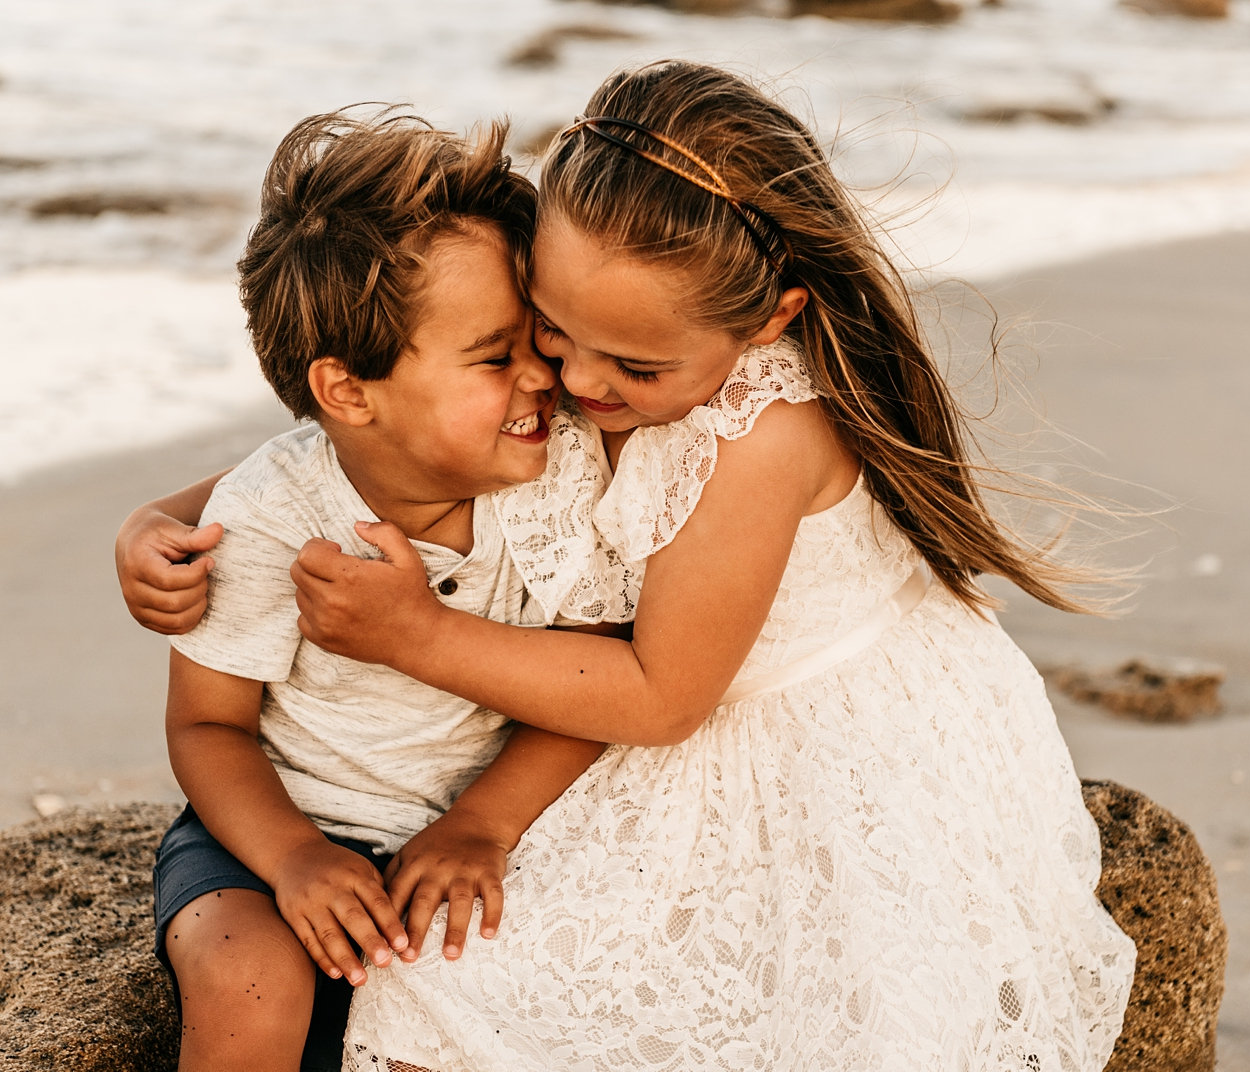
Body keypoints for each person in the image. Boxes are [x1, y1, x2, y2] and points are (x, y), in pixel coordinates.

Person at [119, 63, 1135, 1070]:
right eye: (550, 333)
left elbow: (655, 694)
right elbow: (334, 461)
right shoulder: (577, 377)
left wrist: (417, 639)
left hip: (779, 742)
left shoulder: (762, 431)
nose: (574, 385)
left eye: (632, 367)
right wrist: (158, 520)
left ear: (767, 318)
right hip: (616, 722)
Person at [130, 107, 632, 1072]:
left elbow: (598, 670)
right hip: (269, 827)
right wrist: (293, 859)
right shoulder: (276, 515)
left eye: (538, 336)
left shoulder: (567, 476)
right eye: (495, 355)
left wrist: (484, 824)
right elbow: (207, 727)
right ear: (350, 392)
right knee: (249, 983)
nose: (543, 374)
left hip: (492, 817)